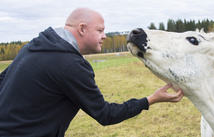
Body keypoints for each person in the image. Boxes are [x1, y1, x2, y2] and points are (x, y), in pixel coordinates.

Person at [0, 7, 184, 136]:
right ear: (81, 28)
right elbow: (106, 114)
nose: (104, 36)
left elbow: (2, 80)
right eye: (100, 30)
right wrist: (150, 100)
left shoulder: (33, 46)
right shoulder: (71, 65)